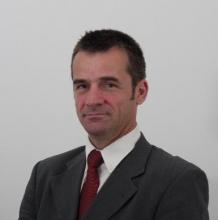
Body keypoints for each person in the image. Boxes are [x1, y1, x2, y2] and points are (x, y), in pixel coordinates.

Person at [18, 29, 209, 220]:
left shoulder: (177, 181)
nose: (92, 100)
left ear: (141, 92)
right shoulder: (44, 175)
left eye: (109, 84)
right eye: (82, 86)